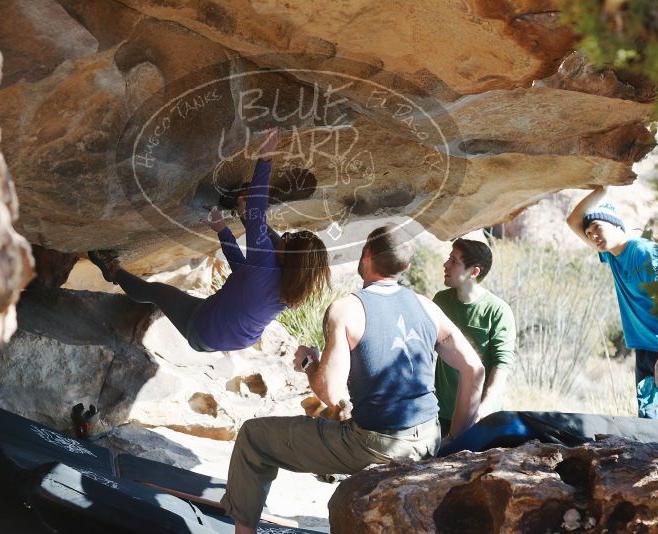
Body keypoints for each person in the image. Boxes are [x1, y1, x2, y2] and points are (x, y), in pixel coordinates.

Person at [220, 225, 485, 533]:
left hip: (374, 443)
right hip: (428, 438)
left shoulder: (346, 309)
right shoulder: (426, 307)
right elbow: (474, 370)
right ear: (406, 266)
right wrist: (454, 444)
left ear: (367, 254)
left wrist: (309, 362)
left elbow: (330, 392)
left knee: (254, 437)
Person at [88, 128, 331, 352]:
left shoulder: (266, 262)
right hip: (235, 336)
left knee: (158, 292)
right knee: (256, 237)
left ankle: (112, 269)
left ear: (288, 256)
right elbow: (243, 272)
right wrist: (222, 229)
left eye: (287, 240)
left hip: (204, 330)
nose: (284, 238)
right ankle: (241, 208)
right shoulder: (291, 288)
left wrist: (266, 155)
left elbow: (258, 214)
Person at [566, 186, 658, 440]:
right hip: (646, 350)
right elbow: (572, 220)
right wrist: (600, 189)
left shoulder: (644, 252)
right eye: (589, 233)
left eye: (598, 228)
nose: (592, 236)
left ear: (616, 225)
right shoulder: (610, 256)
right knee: (651, 426)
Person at [434, 238, 516, 438]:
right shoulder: (440, 301)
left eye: (454, 261)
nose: (446, 265)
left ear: (474, 271)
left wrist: (485, 407)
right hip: (440, 412)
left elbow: (502, 364)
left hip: (478, 416)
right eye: (448, 259)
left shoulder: (498, 311)